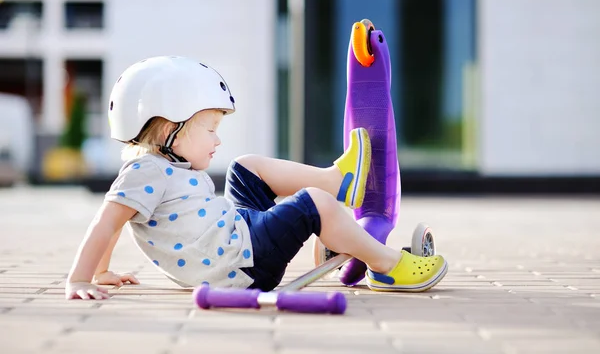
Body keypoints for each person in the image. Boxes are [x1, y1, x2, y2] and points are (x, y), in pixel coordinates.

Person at [65, 56, 448, 300]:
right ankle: (387, 265)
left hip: (239, 238)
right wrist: (82, 278)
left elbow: (115, 226)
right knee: (312, 203)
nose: (217, 139)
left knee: (244, 167)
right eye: (210, 128)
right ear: (170, 129)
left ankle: (341, 184)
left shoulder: (164, 167)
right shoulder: (144, 171)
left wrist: (102, 270)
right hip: (244, 266)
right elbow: (107, 222)